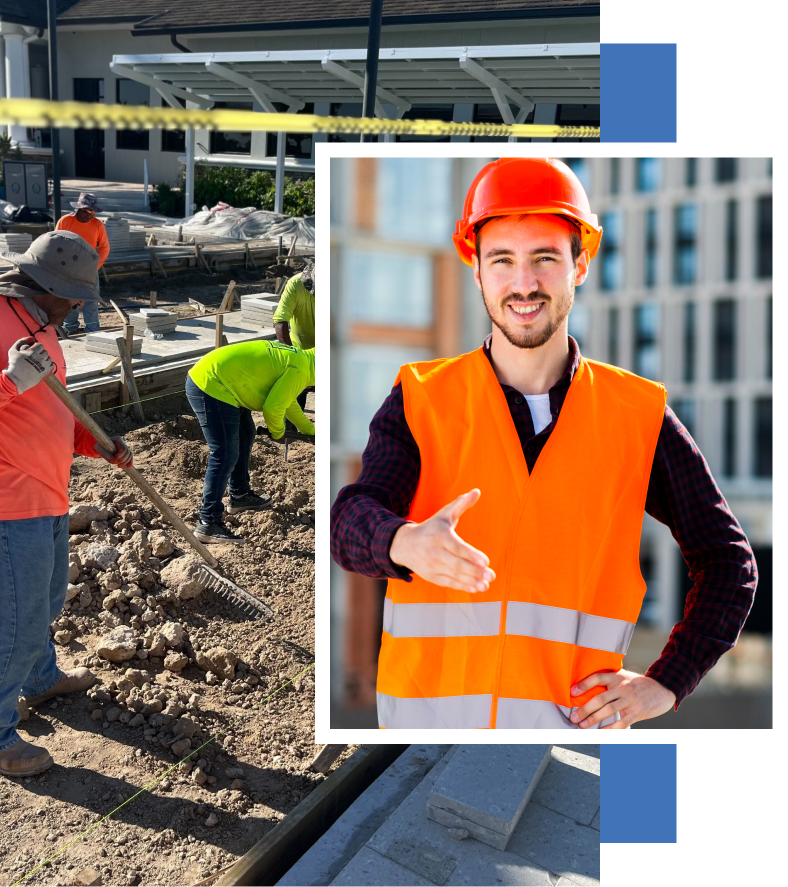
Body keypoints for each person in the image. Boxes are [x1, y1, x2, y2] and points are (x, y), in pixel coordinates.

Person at [330, 157, 757, 730]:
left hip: (567, 751)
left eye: (545, 259)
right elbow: (347, 521)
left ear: (580, 264)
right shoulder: (421, 397)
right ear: (475, 269)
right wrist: (403, 542)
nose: (524, 283)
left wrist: (666, 683)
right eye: (502, 259)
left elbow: (728, 562)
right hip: (420, 750)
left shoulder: (638, 415)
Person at [0, 231, 133, 776]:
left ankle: (42, 678)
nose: (79, 305)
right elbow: (16, 395)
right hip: (11, 505)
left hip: (51, 492)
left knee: (48, 603)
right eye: (73, 295)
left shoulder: (45, 330)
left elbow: (54, 411)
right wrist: (10, 381)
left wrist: (93, 442)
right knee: (16, 623)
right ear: (45, 285)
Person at [186, 340, 315, 544]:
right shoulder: (300, 370)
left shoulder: (302, 360)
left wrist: (310, 431)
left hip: (226, 383)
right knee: (225, 453)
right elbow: (273, 408)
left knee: (246, 434)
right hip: (212, 384)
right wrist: (278, 432)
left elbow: (286, 400)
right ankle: (208, 522)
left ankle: (240, 495)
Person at [55, 192, 110, 334]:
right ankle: (71, 328)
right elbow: (55, 243)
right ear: (78, 209)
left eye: (93, 211)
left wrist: (95, 267)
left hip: (89, 269)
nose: (90, 214)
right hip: (68, 269)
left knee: (91, 300)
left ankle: (92, 330)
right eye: (86, 211)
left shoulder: (97, 225)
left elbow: (105, 248)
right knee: (69, 299)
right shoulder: (65, 221)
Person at [273, 261, 315, 414]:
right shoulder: (296, 284)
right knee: (293, 400)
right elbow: (280, 321)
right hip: (300, 351)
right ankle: (289, 431)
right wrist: (294, 358)